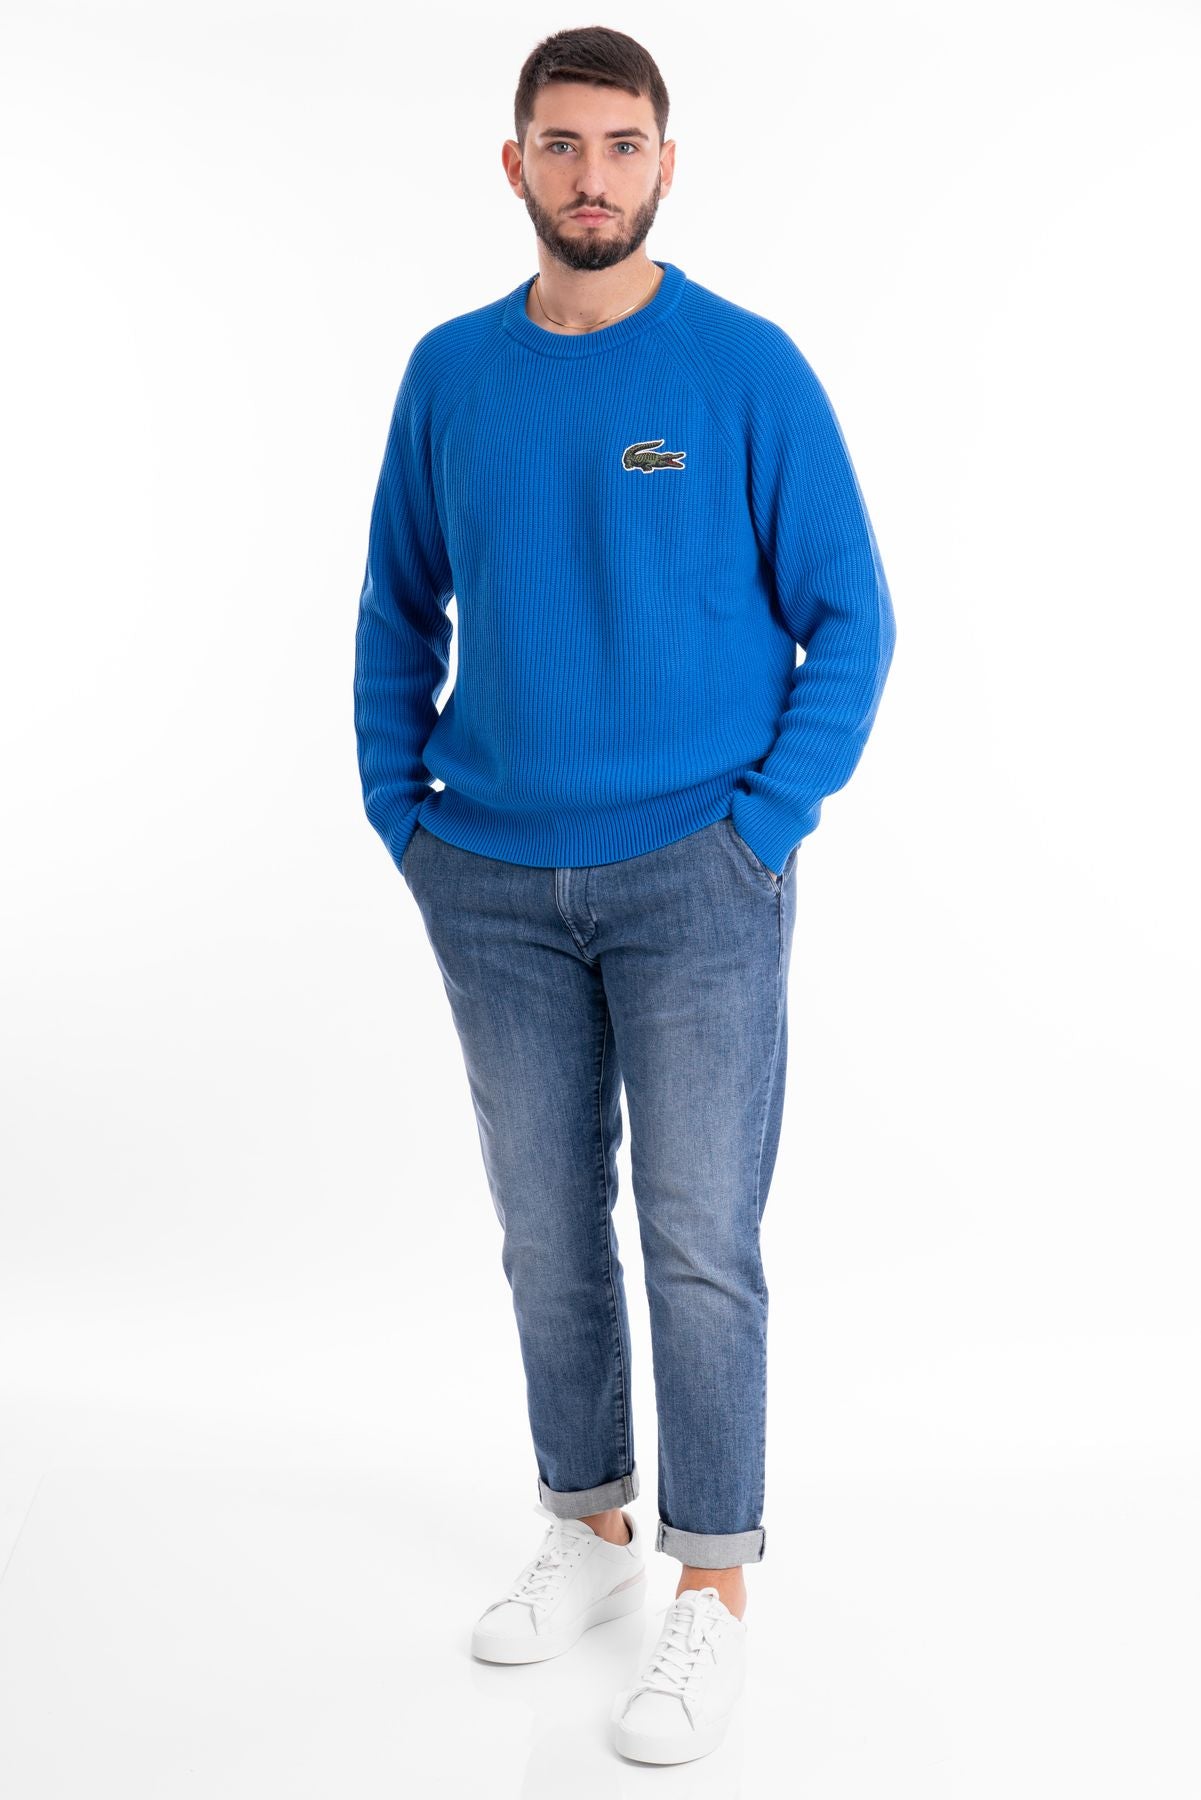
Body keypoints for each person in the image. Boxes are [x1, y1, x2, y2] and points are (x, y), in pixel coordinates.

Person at [353, 24, 896, 1767]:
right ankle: (586, 1525)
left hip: (696, 880)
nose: (591, 176)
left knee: (696, 1238)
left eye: (622, 144)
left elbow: (850, 616)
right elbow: (395, 610)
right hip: (491, 879)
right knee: (541, 1229)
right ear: (512, 162)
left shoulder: (741, 366)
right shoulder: (450, 372)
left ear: (666, 163)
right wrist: (404, 820)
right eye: (561, 143)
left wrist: (763, 827)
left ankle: (709, 1586)